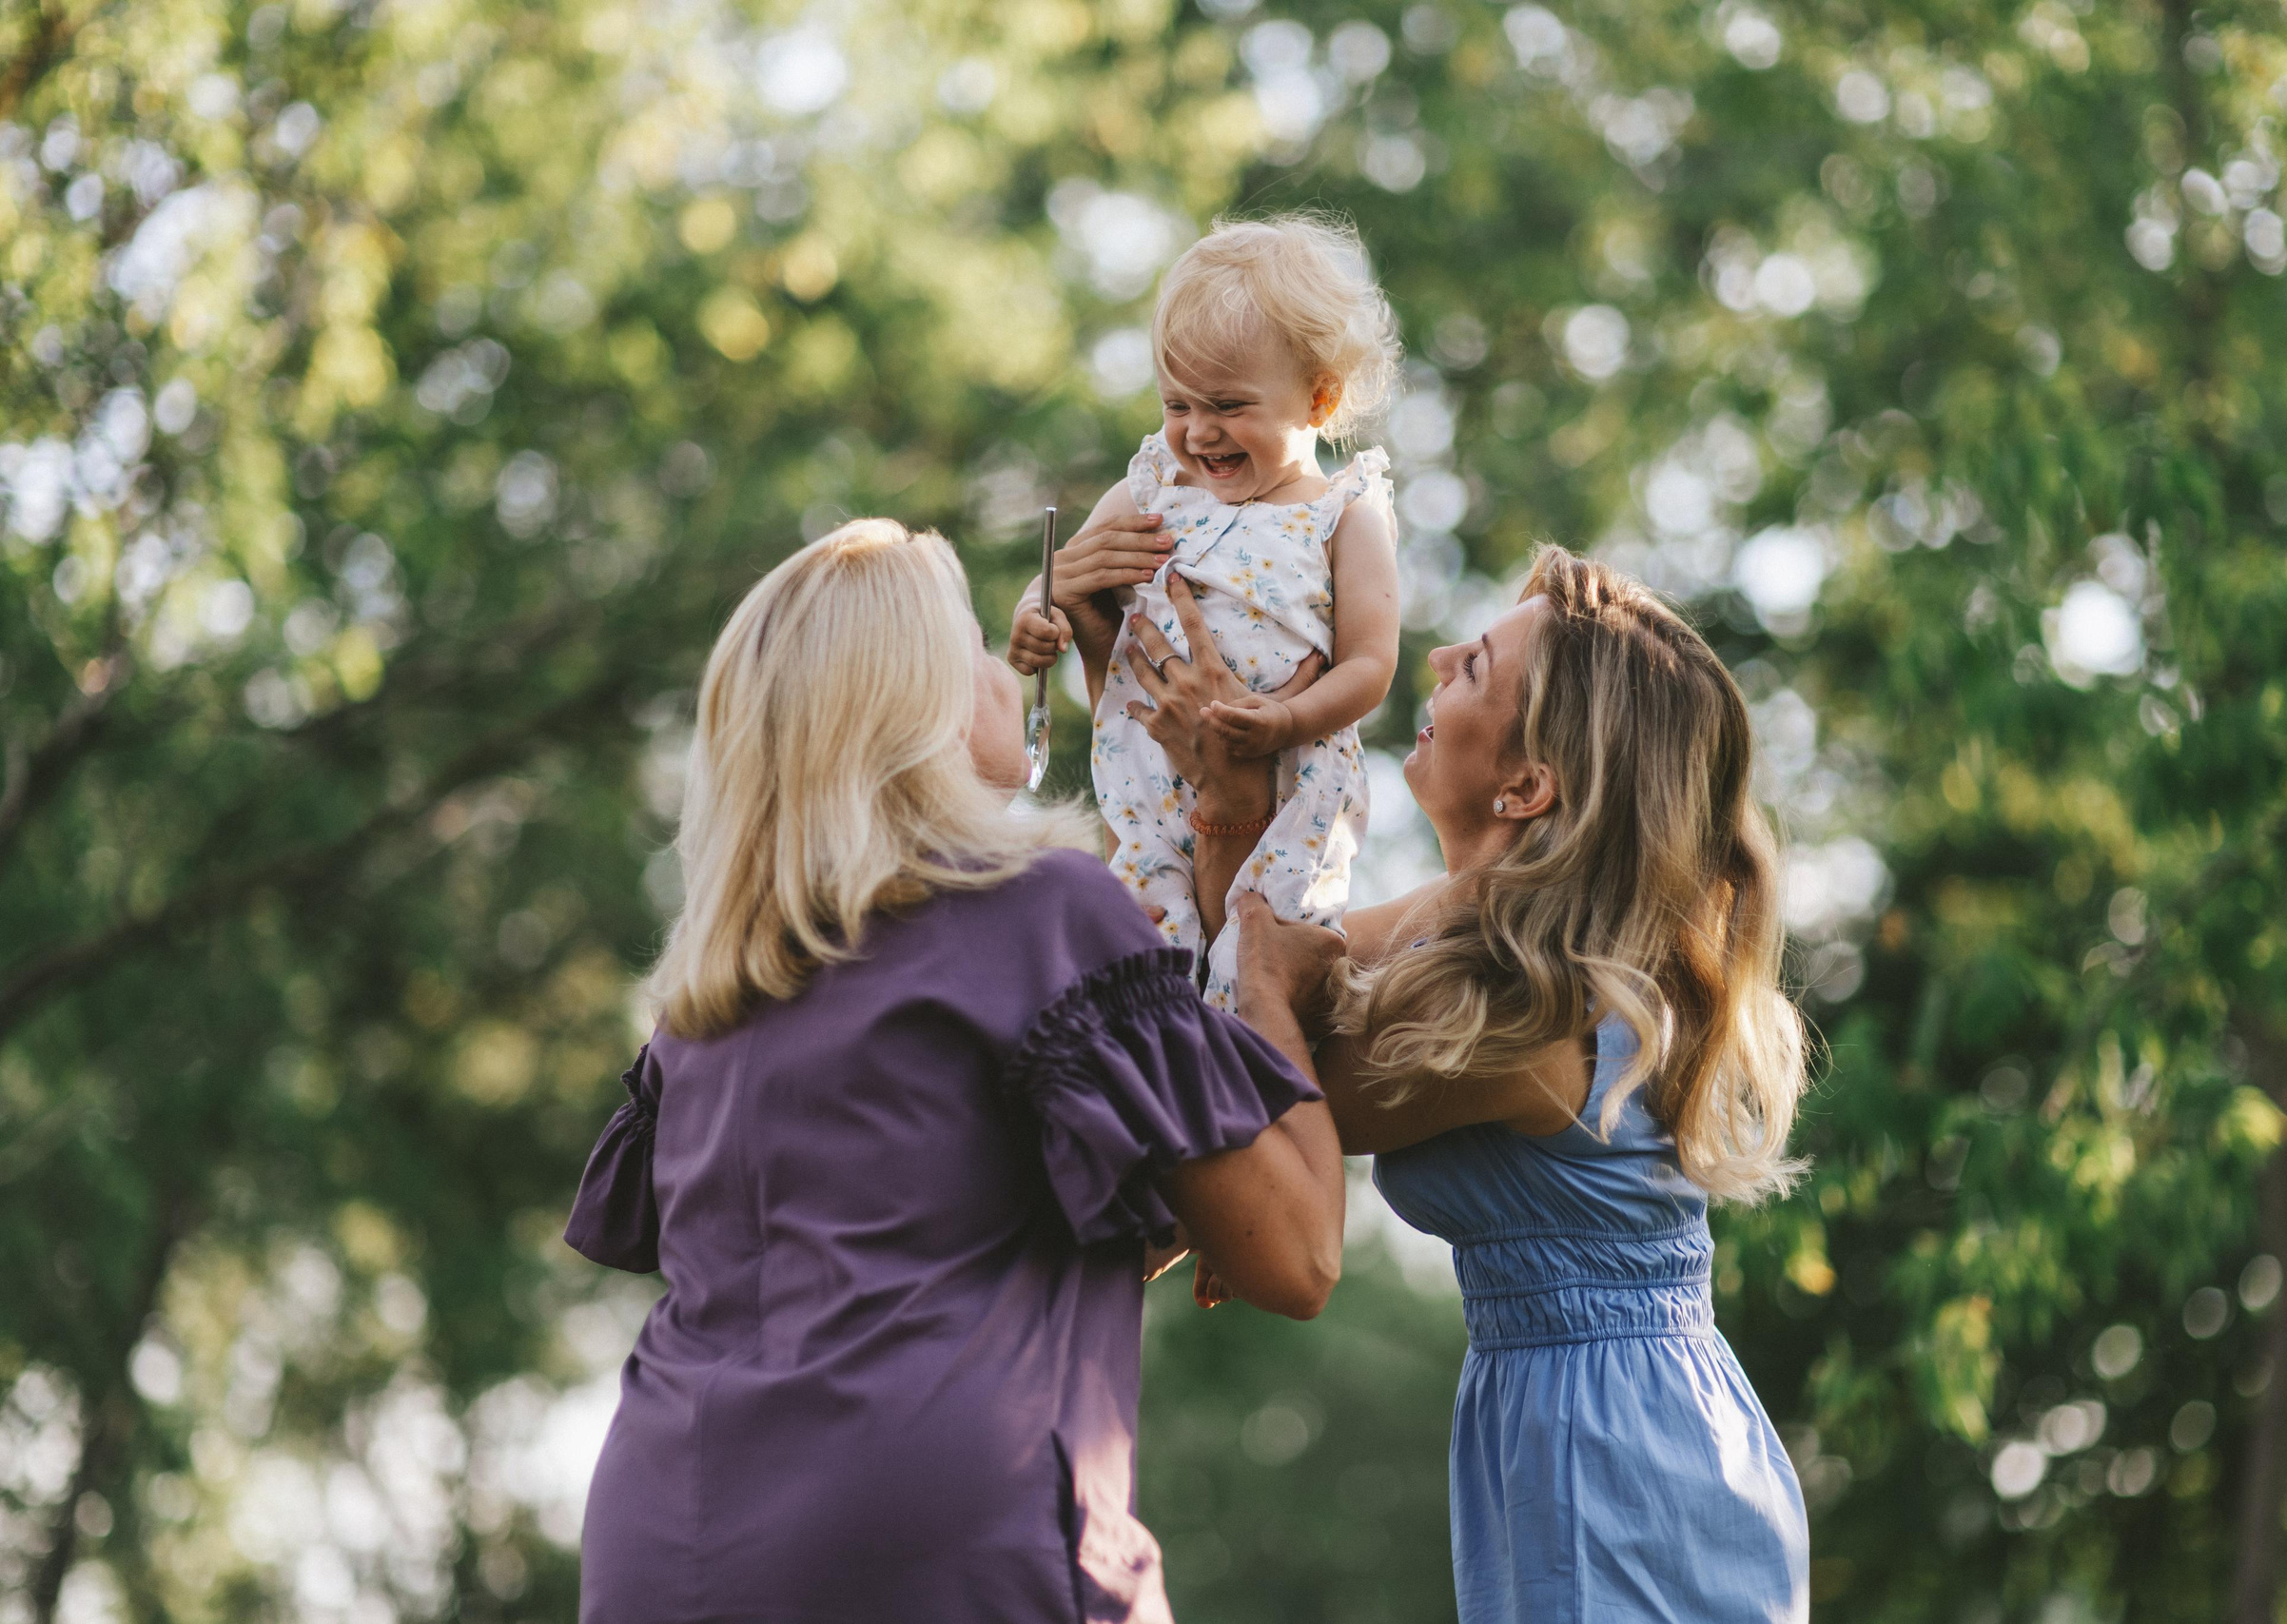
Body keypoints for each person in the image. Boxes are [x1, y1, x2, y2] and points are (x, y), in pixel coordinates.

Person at [562, 519, 1344, 1623]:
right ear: (915, 699)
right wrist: (1266, 982)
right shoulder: (1041, 912)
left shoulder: (710, 996)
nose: (999, 669)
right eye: (974, 644)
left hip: (668, 1541)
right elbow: (1298, 1257)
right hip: (945, 1545)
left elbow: (949, 1239)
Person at [1109, 546, 1813, 1622]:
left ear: (1527, 786)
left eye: (1475, 665)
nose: (1436, 656)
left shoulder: (1531, 1010)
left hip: (1614, 1460)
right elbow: (1252, 983)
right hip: (1600, 1426)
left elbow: (1254, 1081)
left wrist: (1233, 812)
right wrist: (1231, 795)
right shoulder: (1477, 925)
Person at [1007, 213, 1400, 1011]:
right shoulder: (1155, 487)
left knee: (1259, 961)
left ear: (1319, 397)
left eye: (1228, 404)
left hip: (1288, 789)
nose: (1198, 431)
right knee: (1140, 954)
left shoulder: (1343, 515)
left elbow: (1371, 662)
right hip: (1145, 778)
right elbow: (1064, 574)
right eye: (1176, 404)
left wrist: (1286, 721)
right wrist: (1036, 616)